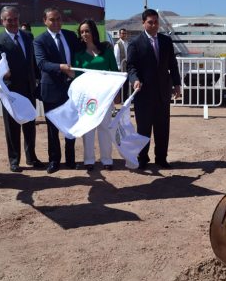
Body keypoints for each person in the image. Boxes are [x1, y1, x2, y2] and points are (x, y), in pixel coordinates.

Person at [0, 6, 43, 173]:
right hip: (10, 91)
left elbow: (33, 61)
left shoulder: (28, 36)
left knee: (29, 124)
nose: (12, 22)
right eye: (8, 19)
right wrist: (3, 71)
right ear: (2, 21)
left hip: (28, 88)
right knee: (11, 127)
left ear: (18, 19)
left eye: (14, 19)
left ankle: (31, 157)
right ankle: (14, 160)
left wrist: (38, 79)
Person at [126, 9, 181, 170]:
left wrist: (176, 84)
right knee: (143, 129)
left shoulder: (166, 41)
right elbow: (131, 66)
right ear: (143, 23)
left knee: (162, 128)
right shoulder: (135, 43)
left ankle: (161, 158)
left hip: (163, 93)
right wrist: (135, 80)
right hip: (143, 94)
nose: (154, 25)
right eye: (150, 22)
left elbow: (173, 64)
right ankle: (142, 158)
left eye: (156, 22)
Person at [33, 7, 79, 174]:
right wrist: (61, 67)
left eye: (59, 18)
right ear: (45, 20)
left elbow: (82, 52)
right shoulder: (40, 41)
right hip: (51, 90)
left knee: (71, 125)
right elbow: (42, 64)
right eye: (52, 19)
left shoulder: (70, 36)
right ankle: (54, 160)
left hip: (71, 89)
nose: (56, 22)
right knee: (53, 128)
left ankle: (71, 160)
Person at [74, 19, 118, 171]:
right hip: (87, 99)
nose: (85, 34)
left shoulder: (107, 52)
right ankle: (89, 161)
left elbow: (115, 74)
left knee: (104, 128)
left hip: (105, 97)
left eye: (87, 31)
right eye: (82, 32)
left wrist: (114, 95)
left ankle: (107, 159)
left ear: (93, 32)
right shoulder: (78, 55)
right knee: (88, 129)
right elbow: (76, 79)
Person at [114, 28, 130, 104]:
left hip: (127, 67)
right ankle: (121, 100)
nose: (123, 35)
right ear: (119, 34)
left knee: (127, 84)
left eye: (125, 33)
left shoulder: (127, 43)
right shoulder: (117, 44)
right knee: (122, 85)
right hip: (121, 68)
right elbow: (116, 57)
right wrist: (119, 68)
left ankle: (126, 99)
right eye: (122, 33)